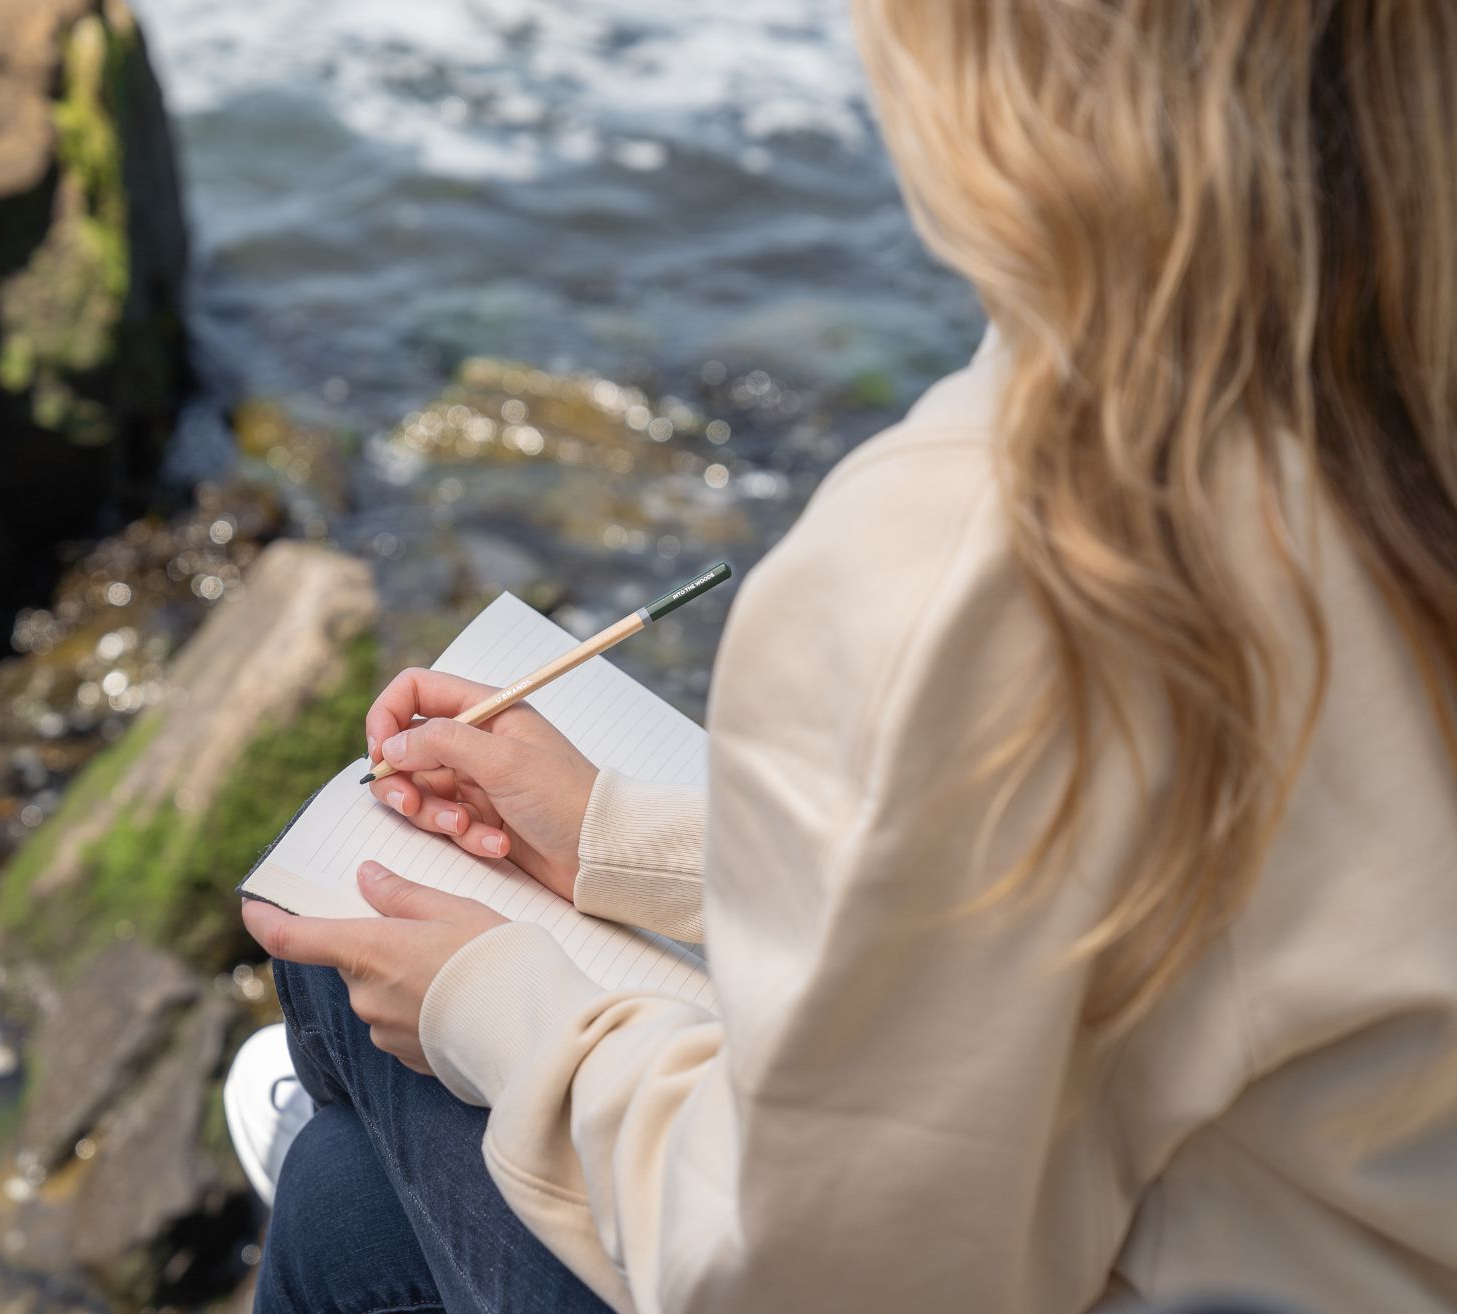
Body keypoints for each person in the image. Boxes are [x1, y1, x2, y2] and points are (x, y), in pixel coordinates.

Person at [235, 2, 1457, 1311]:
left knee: (342, 1024)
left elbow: (811, 1272)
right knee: (346, 1202)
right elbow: (1095, 895)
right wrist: (619, 840)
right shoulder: (1382, 397)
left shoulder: (1009, 541)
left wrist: (495, 1004)